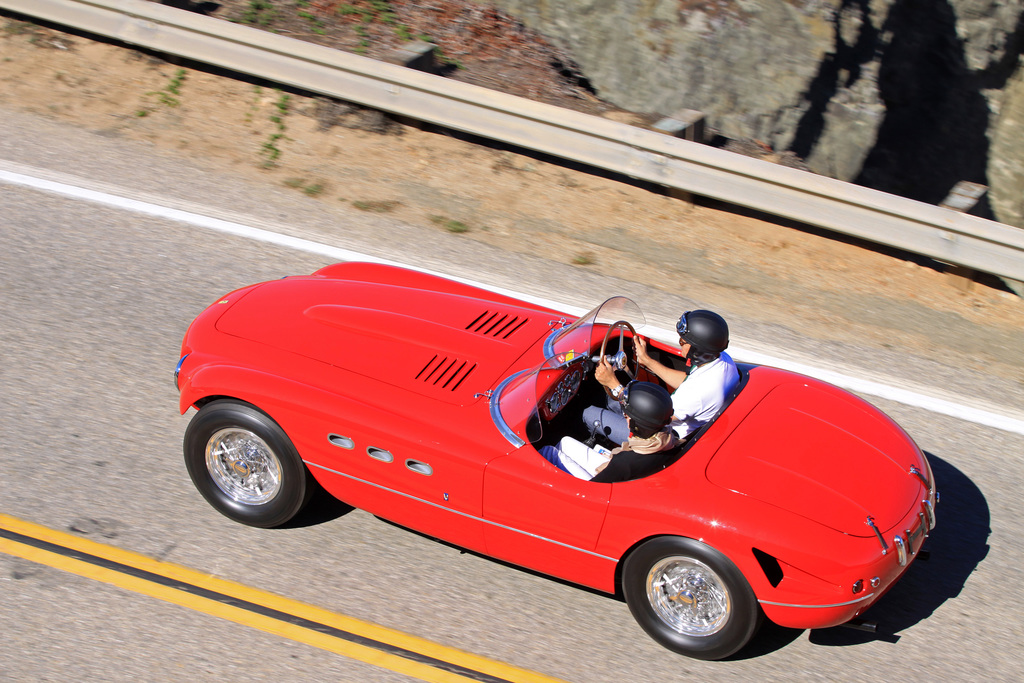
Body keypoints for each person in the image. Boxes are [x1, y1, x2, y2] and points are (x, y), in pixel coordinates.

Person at [586, 309, 740, 443]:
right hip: (664, 421)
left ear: (697, 350)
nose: (679, 344)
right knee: (609, 400)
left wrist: (613, 384)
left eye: (682, 341)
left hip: (658, 437)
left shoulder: (697, 394)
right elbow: (685, 381)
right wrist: (647, 360)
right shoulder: (722, 360)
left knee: (587, 412)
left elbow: (650, 419)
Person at [540, 382, 677, 482]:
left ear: (636, 424)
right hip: (630, 475)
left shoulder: (623, 463)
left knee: (547, 451)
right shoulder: (672, 438)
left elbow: (593, 489)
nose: (626, 418)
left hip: (599, 487)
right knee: (565, 442)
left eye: (627, 416)